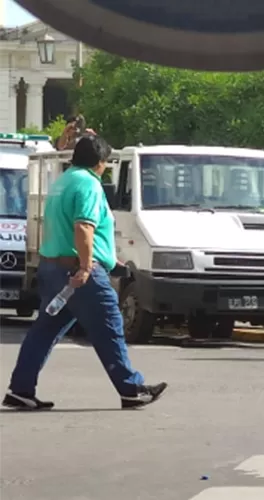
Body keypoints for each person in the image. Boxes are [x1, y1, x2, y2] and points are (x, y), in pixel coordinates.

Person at [2, 136, 167, 411]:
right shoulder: (89, 183)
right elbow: (83, 228)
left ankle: (20, 389)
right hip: (79, 272)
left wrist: (109, 260)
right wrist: (88, 265)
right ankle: (131, 388)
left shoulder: (63, 182)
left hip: (53, 267)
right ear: (100, 162)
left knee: (44, 331)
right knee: (110, 326)